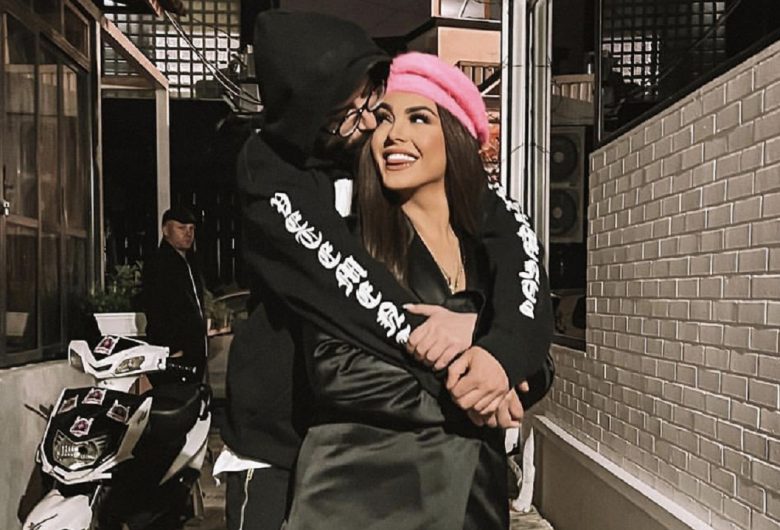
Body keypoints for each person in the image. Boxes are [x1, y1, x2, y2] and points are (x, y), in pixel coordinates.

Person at [219, 11, 553, 530]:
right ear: (310, 120)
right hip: (292, 451)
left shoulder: (462, 219)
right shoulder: (278, 175)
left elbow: (521, 266)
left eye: (372, 98)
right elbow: (343, 287)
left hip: (455, 489)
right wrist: (470, 370)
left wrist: (498, 349)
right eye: (348, 114)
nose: (376, 125)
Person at [142, 206, 206, 384]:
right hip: (174, 353)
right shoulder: (159, 263)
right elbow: (155, 308)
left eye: (191, 228)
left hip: (194, 351)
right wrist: (171, 347)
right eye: (181, 228)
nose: (188, 233)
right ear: (165, 230)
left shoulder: (191, 263)